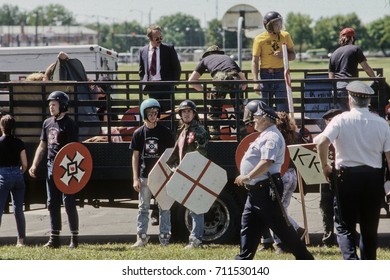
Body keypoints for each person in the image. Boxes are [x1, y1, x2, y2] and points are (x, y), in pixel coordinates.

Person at [316, 81, 390, 260]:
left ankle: (351, 262)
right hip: (373, 178)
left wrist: (325, 165)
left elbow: (321, 142)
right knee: (369, 228)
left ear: (350, 99)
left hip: (346, 178)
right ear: (368, 101)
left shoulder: (340, 120)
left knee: (343, 226)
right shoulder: (382, 123)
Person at [234, 100, 314, 260]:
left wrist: (248, 176)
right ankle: (242, 261)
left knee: (282, 229)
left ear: (264, 118)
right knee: (248, 227)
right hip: (255, 191)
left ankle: (306, 259)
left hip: (265, 190)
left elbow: (266, 161)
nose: (253, 121)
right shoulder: (265, 135)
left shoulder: (271, 136)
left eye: (255, 118)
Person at [29, 91, 80, 249]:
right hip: (51, 166)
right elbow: (43, 145)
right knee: (51, 202)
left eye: (54, 104)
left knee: (69, 202)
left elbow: (73, 150)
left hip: (67, 168)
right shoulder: (47, 123)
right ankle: (54, 238)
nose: (51, 107)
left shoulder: (69, 124)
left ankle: (74, 238)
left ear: (62, 105)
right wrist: (34, 164)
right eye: (50, 104)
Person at [258, 110, 306, 253]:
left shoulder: (275, 137)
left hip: (281, 175)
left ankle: (290, 235)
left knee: (275, 211)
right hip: (292, 175)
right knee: (281, 209)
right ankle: (283, 240)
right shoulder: (295, 135)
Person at [130, 98, 175, 247]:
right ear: (144, 114)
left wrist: (170, 175)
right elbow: (135, 157)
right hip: (144, 177)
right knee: (143, 207)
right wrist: (135, 178)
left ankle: (164, 237)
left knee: (164, 207)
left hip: (162, 176)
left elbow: (171, 155)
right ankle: (141, 237)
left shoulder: (165, 132)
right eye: (149, 113)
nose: (153, 116)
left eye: (155, 112)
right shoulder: (138, 133)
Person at [166, 100, 210, 249]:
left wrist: (190, 171)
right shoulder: (183, 130)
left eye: (189, 111)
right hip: (184, 172)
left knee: (196, 206)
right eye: (183, 111)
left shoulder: (199, 131)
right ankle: (195, 238)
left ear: (194, 113)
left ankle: (196, 239)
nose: (186, 114)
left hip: (194, 173)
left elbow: (201, 154)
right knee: (191, 207)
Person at [188, 45, 247, 139]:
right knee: (239, 111)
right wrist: (238, 94)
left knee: (214, 111)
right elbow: (244, 81)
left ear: (208, 54)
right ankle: (243, 135)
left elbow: (191, 80)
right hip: (235, 79)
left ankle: (215, 137)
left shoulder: (205, 59)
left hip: (220, 78)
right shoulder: (228, 58)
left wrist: (206, 91)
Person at [251, 11, 296, 112]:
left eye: (280, 22)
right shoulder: (259, 39)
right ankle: (268, 126)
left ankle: (283, 126)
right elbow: (255, 61)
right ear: (269, 26)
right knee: (266, 106)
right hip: (265, 75)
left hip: (281, 74)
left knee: (282, 106)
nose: (280, 25)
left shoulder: (286, 35)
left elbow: (293, 55)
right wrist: (256, 81)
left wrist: (284, 55)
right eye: (276, 24)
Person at [314, 108, 343, 247]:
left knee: (343, 207)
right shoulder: (321, 137)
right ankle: (328, 237)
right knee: (326, 207)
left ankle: (345, 236)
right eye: (329, 121)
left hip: (342, 175)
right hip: (326, 177)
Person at [328, 27, 376, 110]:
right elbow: (366, 68)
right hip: (351, 88)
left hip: (338, 89)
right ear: (352, 38)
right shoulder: (355, 49)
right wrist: (375, 79)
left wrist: (335, 90)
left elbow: (331, 76)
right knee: (354, 113)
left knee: (343, 114)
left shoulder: (334, 53)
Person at [139, 25, 182, 113]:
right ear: (149, 38)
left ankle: (170, 127)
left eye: (161, 37)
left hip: (166, 86)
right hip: (152, 87)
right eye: (156, 38)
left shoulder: (169, 49)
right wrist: (144, 82)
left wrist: (173, 83)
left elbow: (176, 67)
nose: (159, 40)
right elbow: (141, 70)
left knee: (168, 113)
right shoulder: (143, 51)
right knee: (154, 112)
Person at [0, 114, 28, 247]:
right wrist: (18, 172)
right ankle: (21, 241)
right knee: (18, 210)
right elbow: (25, 164)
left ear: (2, 127)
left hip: (3, 176)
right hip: (17, 175)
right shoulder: (19, 143)